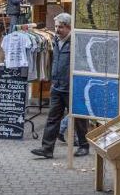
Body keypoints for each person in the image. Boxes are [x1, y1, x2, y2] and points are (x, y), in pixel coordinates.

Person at [33, 13, 89, 159]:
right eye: (56, 26)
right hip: (57, 86)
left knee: (79, 118)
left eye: (61, 27)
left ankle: (84, 145)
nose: (57, 30)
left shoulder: (76, 42)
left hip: (72, 86)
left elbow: (83, 63)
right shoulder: (56, 40)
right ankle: (47, 148)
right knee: (52, 118)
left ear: (69, 27)